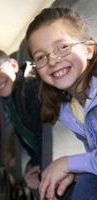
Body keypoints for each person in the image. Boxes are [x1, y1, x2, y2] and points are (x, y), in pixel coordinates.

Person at [26, 7, 97, 200]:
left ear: (89, 49)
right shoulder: (68, 108)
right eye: (41, 57)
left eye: (62, 47)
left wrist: (67, 163)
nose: (53, 60)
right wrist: (75, 171)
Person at [0, 47, 43, 198]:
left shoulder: (29, 88)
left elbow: (43, 133)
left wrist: (42, 167)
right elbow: (23, 133)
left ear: (14, 65)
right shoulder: (9, 98)